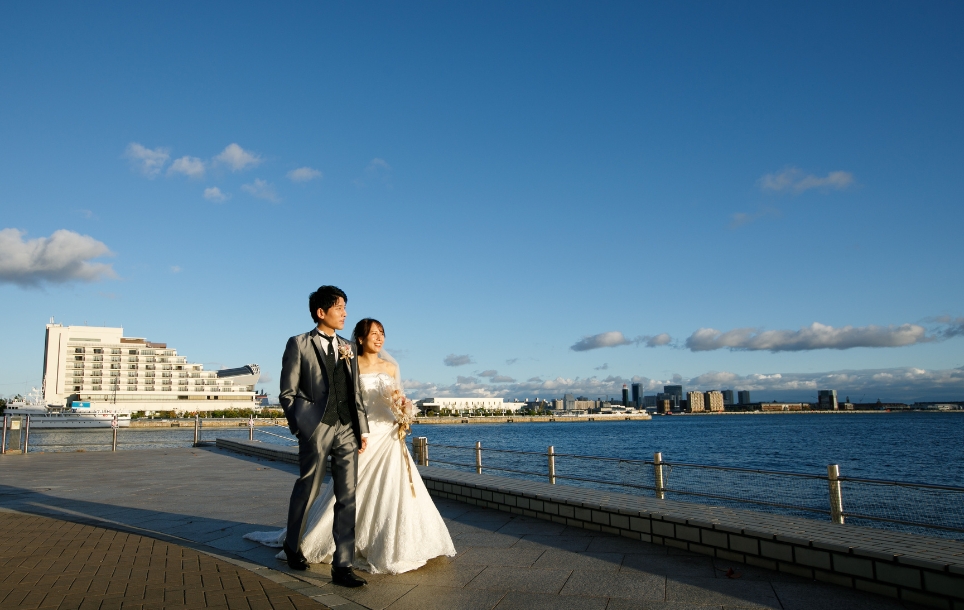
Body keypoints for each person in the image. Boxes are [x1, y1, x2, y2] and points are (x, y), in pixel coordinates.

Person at [246, 317, 456, 575]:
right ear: (359, 338)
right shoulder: (348, 363)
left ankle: (396, 543)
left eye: (382, 333)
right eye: (373, 333)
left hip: (389, 435)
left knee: (394, 488)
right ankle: (320, 540)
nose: (379, 338)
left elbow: (397, 398)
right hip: (362, 434)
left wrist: (403, 413)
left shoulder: (390, 367)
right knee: (348, 491)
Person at [271, 285, 370, 588]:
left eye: (345, 307)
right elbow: (287, 393)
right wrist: (301, 426)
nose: (345, 314)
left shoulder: (349, 347)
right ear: (321, 312)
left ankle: (343, 566)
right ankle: (292, 544)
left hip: (347, 429)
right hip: (316, 428)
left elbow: (355, 392)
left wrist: (362, 429)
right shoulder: (299, 344)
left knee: (348, 496)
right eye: (340, 308)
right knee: (309, 489)